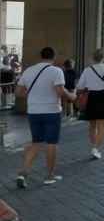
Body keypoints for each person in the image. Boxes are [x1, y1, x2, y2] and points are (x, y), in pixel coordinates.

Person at [15, 47, 76, 188]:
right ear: (53, 57)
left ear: (40, 56)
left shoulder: (29, 71)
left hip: (33, 111)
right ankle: (50, 175)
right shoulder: (56, 71)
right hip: (51, 111)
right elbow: (60, 91)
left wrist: (34, 96)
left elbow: (18, 92)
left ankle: (23, 173)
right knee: (51, 143)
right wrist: (72, 96)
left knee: (36, 142)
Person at [77, 49, 104, 160]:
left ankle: (93, 145)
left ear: (93, 58)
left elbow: (80, 87)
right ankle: (96, 148)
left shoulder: (87, 70)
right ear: (103, 58)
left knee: (92, 125)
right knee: (102, 125)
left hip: (92, 97)